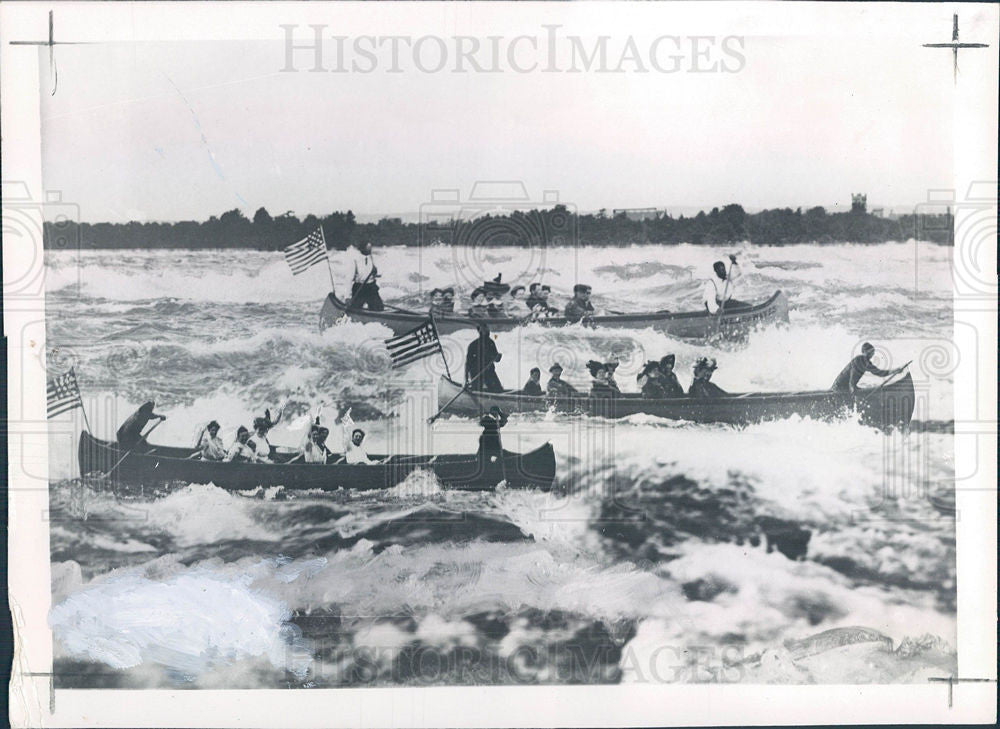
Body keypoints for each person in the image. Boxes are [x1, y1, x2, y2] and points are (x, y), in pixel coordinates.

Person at [831, 342, 904, 392]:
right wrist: (852, 388)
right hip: (839, 388)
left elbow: (880, 373)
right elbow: (852, 377)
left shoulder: (866, 362)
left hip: (846, 388)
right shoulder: (859, 360)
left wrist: (895, 371)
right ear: (865, 352)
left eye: (873, 352)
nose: (872, 354)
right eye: (871, 352)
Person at [465, 323, 504, 392]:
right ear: (480, 331)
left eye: (487, 329)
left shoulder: (491, 343)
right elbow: (468, 364)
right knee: (477, 391)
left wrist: (498, 357)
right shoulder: (473, 345)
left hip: (489, 372)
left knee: (498, 390)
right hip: (476, 374)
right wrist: (466, 380)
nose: (486, 331)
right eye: (484, 329)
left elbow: (496, 359)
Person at [347, 239, 384, 311]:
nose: (370, 250)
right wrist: (347, 297)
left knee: (379, 309)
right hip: (359, 288)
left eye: (370, 248)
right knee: (354, 310)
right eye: (368, 248)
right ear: (362, 248)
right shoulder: (355, 260)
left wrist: (376, 272)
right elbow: (349, 278)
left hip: (371, 288)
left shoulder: (373, 258)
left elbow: (380, 273)